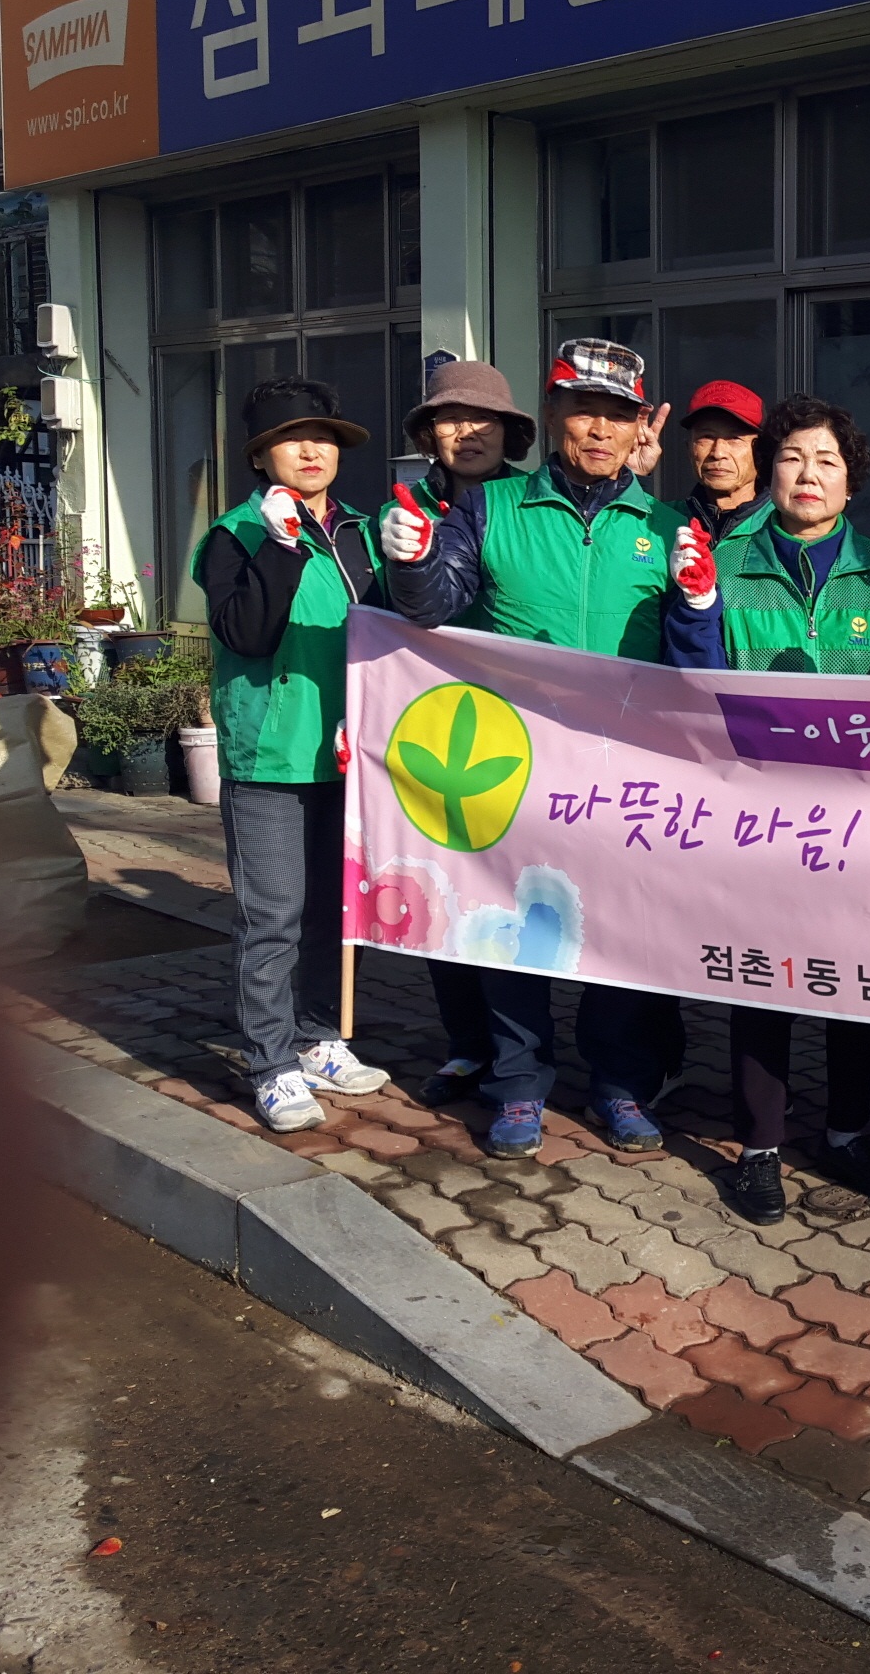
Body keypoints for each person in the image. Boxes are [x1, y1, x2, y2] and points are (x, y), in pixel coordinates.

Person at [382, 338, 700, 1160]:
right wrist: (411, 562)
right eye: (583, 410)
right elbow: (434, 606)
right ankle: (518, 1085)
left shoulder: (668, 527)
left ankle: (619, 1085)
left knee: (621, 935)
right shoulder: (491, 509)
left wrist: (699, 601)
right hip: (518, 763)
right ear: (553, 414)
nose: (600, 429)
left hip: (627, 775)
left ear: (639, 428)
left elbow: (693, 662)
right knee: (510, 926)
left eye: (618, 415)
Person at [665, 395, 870, 1225]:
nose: (808, 474)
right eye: (791, 457)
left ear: (852, 482)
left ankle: (846, 1132)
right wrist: (696, 608)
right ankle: (759, 1149)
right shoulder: (721, 560)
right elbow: (691, 686)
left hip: (861, 821)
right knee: (763, 981)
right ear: (767, 470)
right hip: (759, 820)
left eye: (827, 461)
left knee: (854, 983)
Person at [193, 376, 390, 1132]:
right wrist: (280, 548)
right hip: (272, 755)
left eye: (324, 438)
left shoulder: (362, 532)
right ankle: (271, 1063)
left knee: (337, 913)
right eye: (291, 439)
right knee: (272, 916)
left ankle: (319, 1036)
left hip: (352, 756)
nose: (311, 451)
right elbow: (247, 633)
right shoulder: (234, 536)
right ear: (260, 455)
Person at [387, 360, 539, 1106]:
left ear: (510, 433)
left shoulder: (528, 505)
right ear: (428, 434)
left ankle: (535, 1055)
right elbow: (382, 624)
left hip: (532, 732)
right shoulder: (400, 510)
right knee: (448, 891)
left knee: (527, 896)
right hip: (442, 731)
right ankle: (469, 1045)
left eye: (485, 420)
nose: (468, 432)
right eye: (450, 419)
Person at [681, 381, 772, 541]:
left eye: (734, 438)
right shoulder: (663, 521)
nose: (718, 453)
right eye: (707, 437)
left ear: (760, 451)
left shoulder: (784, 526)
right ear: (689, 447)